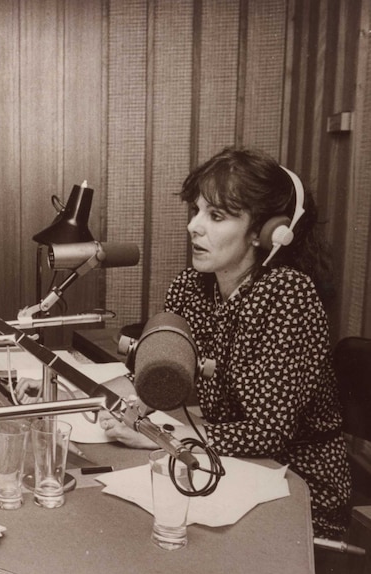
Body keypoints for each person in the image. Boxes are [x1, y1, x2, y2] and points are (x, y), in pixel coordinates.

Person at [18, 146, 351, 540]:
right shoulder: (191, 287)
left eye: (216, 216)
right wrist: (69, 394)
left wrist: (163, 438)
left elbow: (269, 432)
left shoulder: (287, 294)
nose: (194, 226)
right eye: (195, 211)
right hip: (219, 467)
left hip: (293, 486)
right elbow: (146, 379)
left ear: (267, 232)